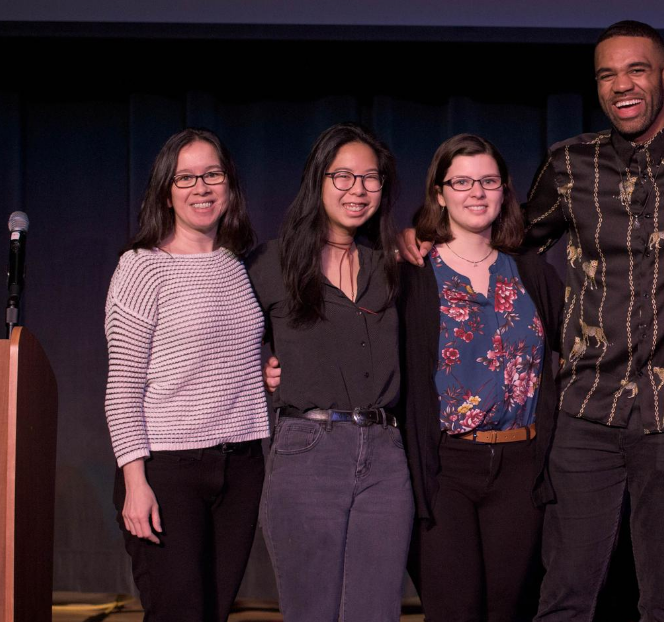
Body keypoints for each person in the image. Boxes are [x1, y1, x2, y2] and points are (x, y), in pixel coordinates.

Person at [400, 19, 664, 621]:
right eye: (607, 74)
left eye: (636, 70)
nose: (621, 85)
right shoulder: (569, 165)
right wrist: (424, 234)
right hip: (586, 412)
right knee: (565, 597)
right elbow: (510, 236)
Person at [248, 122, 412, 621]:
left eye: (371, 178)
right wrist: (260, 366)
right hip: (307, 450)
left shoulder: (394, 266)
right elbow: (224, 341)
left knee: (375, 612)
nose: (357, 190)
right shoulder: (269, 262)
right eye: (343, 176)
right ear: (317, 180)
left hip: (385, 457)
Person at [103, 128, 268, 621]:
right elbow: (122, 387)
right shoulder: (141, 268)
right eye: (186, 178)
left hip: (241, 465)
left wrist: (265, 367)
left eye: (212, 174)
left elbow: (227, 352)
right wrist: (136, 481)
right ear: (165, 192)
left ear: (229, 183)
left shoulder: (240, 265)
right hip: (167, 469)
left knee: (215, 612)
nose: (201, 187)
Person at [400, 134, 564, 621]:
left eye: (488, 181)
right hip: (446, 466)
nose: (476, 192)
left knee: (508, 610)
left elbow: (580, 351)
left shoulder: (531, 273)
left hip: (519, 463)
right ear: (439, 193)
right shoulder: (413, 274)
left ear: (504, 191)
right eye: (462, 181)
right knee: (455, 608)